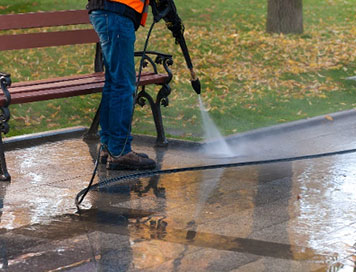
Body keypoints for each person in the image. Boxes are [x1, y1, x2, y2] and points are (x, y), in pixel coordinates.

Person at [87, 0, 156, 170]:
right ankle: (119, 152)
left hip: (111, 12)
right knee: (123, 85)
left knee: (114, 83)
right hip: (116, 13)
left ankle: (109, 147)